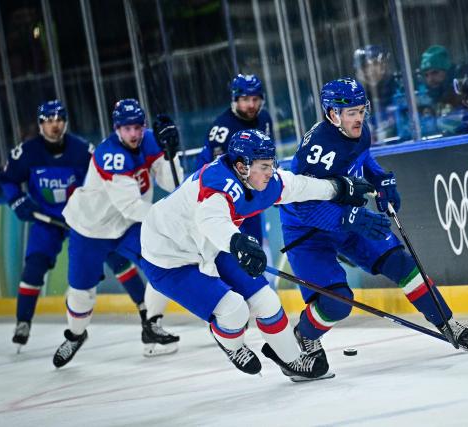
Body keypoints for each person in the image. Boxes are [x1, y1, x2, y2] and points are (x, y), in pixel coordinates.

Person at [279, 78, 468, 377]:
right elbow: (302, 205)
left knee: (402, 263)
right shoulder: (318, 149)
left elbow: (363, 162)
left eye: (362, 110)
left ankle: (446, 322)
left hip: (347, 218)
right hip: (306, 231)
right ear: (333, 114)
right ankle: (305, 336)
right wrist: (348, 219)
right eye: (351, 113)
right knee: (337, 302)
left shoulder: (359, 132)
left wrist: (381, 179)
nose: (359, 117)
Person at [139, 128, 374, 381]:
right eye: (264, 166)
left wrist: (339, 188)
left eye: (271, 165)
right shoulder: (218, 185)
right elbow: (210, 219)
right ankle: (231, 344)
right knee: (234, 311)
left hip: (211, 245)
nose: (270, 172)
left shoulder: (261, 180)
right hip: (168, 256)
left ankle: (293, 362)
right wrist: (236, 241)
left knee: (267, 302)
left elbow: (298, 186)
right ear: (242, 166)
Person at [0, 100, 151, 350]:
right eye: (48, 121)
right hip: (47, 221)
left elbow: (100, 182)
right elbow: (8, 180)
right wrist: (16, 200)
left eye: (58, 120)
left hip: (83, 222)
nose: (54, 125)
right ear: (40, 125)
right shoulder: (27, 152)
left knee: (118, 259)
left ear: (65, 122)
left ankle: (145, 312)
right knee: (34, 267)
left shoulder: (83, 150)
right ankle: (23, 322)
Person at [52, 99, 183, 368]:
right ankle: (76, 335)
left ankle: (152, 328)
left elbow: (172, 185)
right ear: (116, 129)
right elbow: (131, 206)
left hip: (127, 227)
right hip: (90, 228)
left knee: (165, 264)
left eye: (137, 127)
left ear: (144, 126)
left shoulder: (149, 140)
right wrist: (169, 219)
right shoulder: (108, 153)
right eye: (126, 129)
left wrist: (171, 154)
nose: (133, 134)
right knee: (81, 292)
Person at [195, 74, 273, 245]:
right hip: (224, 198)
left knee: (255, 245)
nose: (251, 105)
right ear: (235, 100)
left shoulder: (264, 119)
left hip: (250, 193)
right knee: (233, 249)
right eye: (245, 99)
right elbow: (214, 173)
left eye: (255, 99)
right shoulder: (222, 129)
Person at [353, 45, 398, 142]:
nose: (371, 70)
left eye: (376, 64)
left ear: (385, 65)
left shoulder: (398, 88)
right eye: (365, 66)